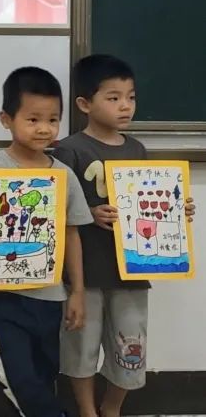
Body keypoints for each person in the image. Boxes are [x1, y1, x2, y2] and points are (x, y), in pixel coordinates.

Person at [53, 55, 195, 417]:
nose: (125, 106)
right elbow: (57, 210)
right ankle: (87, 411)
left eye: (131, 97)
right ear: (85, 103)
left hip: (132, 271)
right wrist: (90, 212)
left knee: (132, 346)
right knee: (81, 347)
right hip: (85, 272)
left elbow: (150, 199)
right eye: (113, 97)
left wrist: (175, 210)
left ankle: (111, 408)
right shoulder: (70, 150)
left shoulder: (137, 150)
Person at [0, 66, 92, 417]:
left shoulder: (63, 175)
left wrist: (77, 291)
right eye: (33, 119)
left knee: (46, 374)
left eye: (53, 120)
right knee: (21, 380)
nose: (44, 128)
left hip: (51, 297)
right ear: (6, 119)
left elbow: (71, 233)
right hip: (4, 297)